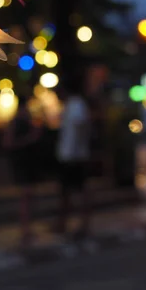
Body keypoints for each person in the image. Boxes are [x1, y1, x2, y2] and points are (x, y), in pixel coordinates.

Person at [2, 95, 42, 245]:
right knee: (26, 197)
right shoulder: (16, 123)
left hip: (28, 163)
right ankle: (25, 230)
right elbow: (8, 142)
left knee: (30, 197)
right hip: (22, 163)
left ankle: (28, 229)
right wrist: (30, 139)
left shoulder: (27, 121)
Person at [55, 80, 92, 238]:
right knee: (66, 191)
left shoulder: (76, 104)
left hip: (74, 156)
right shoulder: (70, 104)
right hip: (68, 155)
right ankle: (64, 223)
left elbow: (81, 127)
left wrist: (77, 151)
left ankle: (83, 224)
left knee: (78, 191)